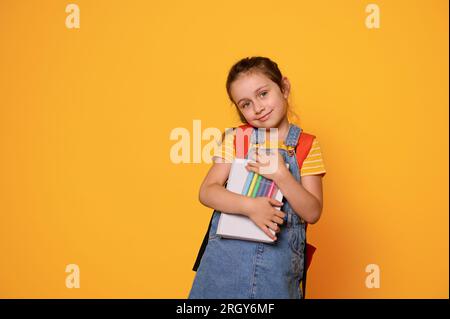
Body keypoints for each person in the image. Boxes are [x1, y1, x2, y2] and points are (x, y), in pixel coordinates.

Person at [188, 56, 326, 299]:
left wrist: (282, 175)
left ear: (283, 88)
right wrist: (250, 207)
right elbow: (207, 190)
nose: (258, 108)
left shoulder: (306, 145)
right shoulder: (236, 139)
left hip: (277, 273)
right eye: (246, 104)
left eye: (263, 94)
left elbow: (312, 212)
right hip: (223, 267)